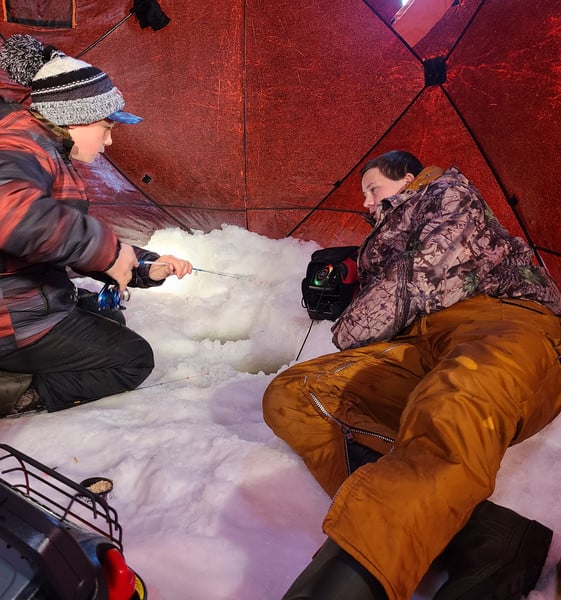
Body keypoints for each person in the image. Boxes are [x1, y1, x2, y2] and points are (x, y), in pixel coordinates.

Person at [263, 150, 561, 600]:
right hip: (419, 343)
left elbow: (419, 274)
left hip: (503, 321)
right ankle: (491, 539)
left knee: (452, 405)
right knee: (295, 394)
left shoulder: (447, 191)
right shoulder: (384, 237)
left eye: (373, 189)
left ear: (408, 179)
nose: (366, 202)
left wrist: (350, 325)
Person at [0, 34, 192, 417]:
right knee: (132, 359)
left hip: (30, 297)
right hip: (11, 319)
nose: (108, 141)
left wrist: (142, 265)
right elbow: (11, 214)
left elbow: (63, 236)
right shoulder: (18, 148)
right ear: (74, 118)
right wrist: (107, 250)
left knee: (109, 316)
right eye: (105, 127)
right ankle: (14, 390)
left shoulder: (46, 148)